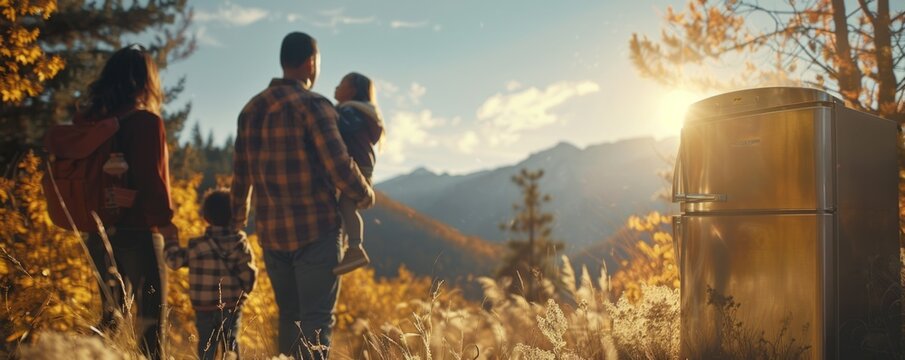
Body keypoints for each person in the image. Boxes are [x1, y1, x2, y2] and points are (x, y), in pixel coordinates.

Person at [230, 32, 375, 359]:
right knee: (316, 321)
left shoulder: (250, 110)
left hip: (272, 236)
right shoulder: (315, 106)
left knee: (290, 320)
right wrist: (363, 193)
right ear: (311, 62)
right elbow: (339, 164)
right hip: (316, 232)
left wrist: (237, 222)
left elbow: (240, 177)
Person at [79, 44, 176, 359]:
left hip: (98, 232)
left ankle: (73, 354)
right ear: (146, 80)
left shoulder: (92, 124)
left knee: (110, 317)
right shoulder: (146, 122)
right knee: (150, 326)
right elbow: (151, 179)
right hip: (139, 231)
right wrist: (167, 224)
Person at [163, 189, 257, 360]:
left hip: (204, 307)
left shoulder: (197, 246)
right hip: (231, 307)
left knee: (207, 346)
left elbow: (173, 261)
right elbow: (249, 277)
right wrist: (241, 296)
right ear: (233, 215)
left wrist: (171, 239)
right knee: (231, 344)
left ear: (206, 217)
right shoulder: (240, 242)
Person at [332, 72, 384, 275]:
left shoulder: (350, 113)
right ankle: (348, 247)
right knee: (345, 207)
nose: (336, 87)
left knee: (346, 205)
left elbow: (342, 129)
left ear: (352, 90)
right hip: (363, 166)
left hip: (356, 167)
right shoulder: (364, 114)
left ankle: (355, 248)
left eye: (341, 84)